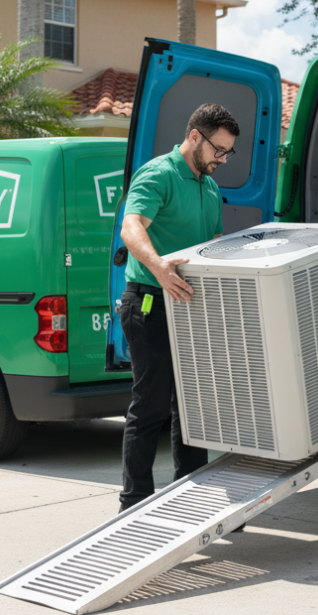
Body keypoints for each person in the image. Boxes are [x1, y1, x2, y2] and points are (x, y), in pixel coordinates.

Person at [117, 103, 240, 512]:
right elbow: (131, 226)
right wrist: (159, 265)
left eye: (228, 152)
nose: (222, 159)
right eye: (218, 150)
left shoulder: (209, 185)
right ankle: (133, 504)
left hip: (189, 306)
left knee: (194, 405)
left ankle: (193, 496)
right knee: (150, 405)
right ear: (194, 137)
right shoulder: (159, 174)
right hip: (149, 302)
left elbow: (214, 240)